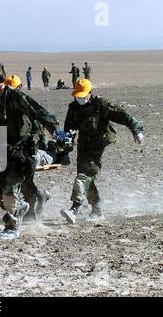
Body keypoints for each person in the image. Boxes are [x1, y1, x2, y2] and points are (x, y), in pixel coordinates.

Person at [0, 64, 62, 239]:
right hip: (0, 154)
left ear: (0, 79)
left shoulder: (15, 97)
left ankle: (13, 227)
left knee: (9, 192)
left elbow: (37, 111)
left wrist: (54, 130)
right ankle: (21, 207)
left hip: (22, 153)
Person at [60, 79, 144, 224]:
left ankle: (74, 209)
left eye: (82, 96)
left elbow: (122, 115)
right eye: (77, 96)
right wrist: (65, 152)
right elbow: (69, 131)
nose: (79, 99)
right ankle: (97, 208)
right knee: (85, 175)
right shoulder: (74, 108)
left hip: (99, 142)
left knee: (85, 174)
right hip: (84, 143)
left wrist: (136, 129)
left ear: (90, 93)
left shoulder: (101, 104)